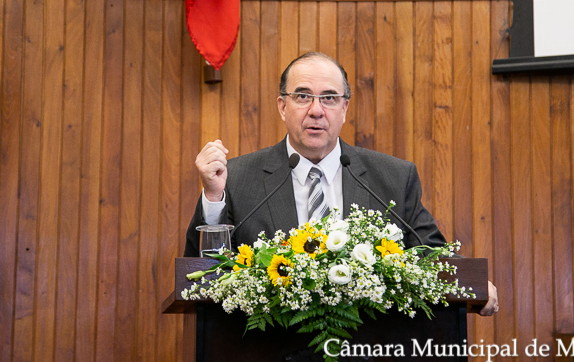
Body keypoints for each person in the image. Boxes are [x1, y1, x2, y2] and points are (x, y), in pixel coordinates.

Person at [184, 52, 499, 315]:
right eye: (303, 96)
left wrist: (471, 284)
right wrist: (213, 196)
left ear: (344, 108)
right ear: (282, 106)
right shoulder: (237, 177)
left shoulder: (392, 177)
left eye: (330, 98)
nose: (316, 111)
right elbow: (203, 272)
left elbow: (428, 252)